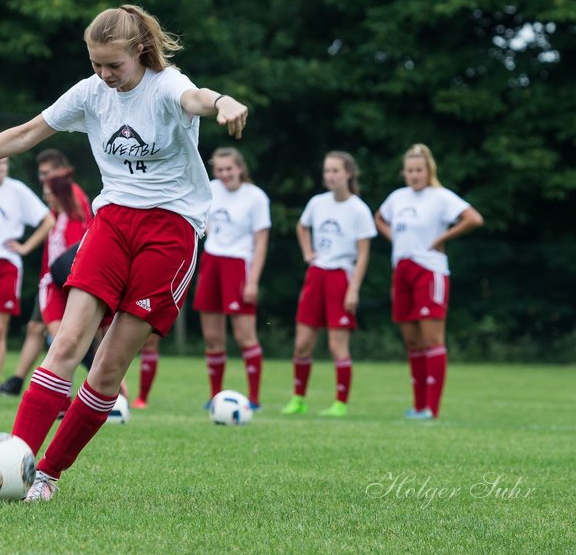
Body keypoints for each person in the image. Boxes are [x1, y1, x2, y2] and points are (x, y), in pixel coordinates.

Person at [0, 3, 248, 502]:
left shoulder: (167, 84)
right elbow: (25, 134)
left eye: (114, 65)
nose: (105, 75)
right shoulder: (91, 93)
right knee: (66, 344)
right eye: (96, 64)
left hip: (172, 230)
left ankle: (45, 475)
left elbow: (195, 98)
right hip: (111, 221)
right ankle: (13, 467)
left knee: (109, 367)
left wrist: (223, 102)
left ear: (139, 52)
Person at [375, 143, 483, 420]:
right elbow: (379, 218)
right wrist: (395, 239)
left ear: (428, 170)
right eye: (410, 170)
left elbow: (473, 219)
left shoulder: (441, 197)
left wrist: (443, 239)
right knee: (412, 341)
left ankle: (431, 410)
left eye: (419, 170)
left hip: (429, 270)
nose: (414, 175)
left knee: (432, 338)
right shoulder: (398, 197)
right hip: (402, 270)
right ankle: (418, 406)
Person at [281, 152, 376, 417]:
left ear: (349, 174)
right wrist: (307, 253)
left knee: (337, 346)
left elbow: (364, 253)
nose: (330, 176)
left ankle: (340, 403)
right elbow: (302, 227)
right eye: (327, 171)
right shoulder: (317, 203)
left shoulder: (359, 209)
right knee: (302, 344)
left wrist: (354, 288)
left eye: (335, 171)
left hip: (341, 278)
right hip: (316, 275)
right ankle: (298, 399)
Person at [0, 150, 94, 395]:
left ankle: (101, 385)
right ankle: (19, 381)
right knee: (37, 328)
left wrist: (26, 249)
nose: (43, 181)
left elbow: (78, 240)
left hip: (65, 277)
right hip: (51, 278)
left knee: (67, 338)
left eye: (46, 174)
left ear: (60, 170)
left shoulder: (71, 196)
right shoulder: (58, 201)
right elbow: (51, 230)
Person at [187, 146, 270, 410]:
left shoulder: (255, 197)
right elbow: (200, 219)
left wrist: (253, 280)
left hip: (239, 265)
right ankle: (215, 396)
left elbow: (261, 241)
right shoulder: (210, 188)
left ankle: (254, 399)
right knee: (212, 337)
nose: (224, 174)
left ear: (240, 168)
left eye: (229, 168)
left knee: (245, 336)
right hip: (212, 262)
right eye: (219, 169)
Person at [0, 157, 54, 404]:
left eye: (5, 163)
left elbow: (48, 220)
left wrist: (26, 247)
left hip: (7, 264)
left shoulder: (16, 190)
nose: (2, 167)